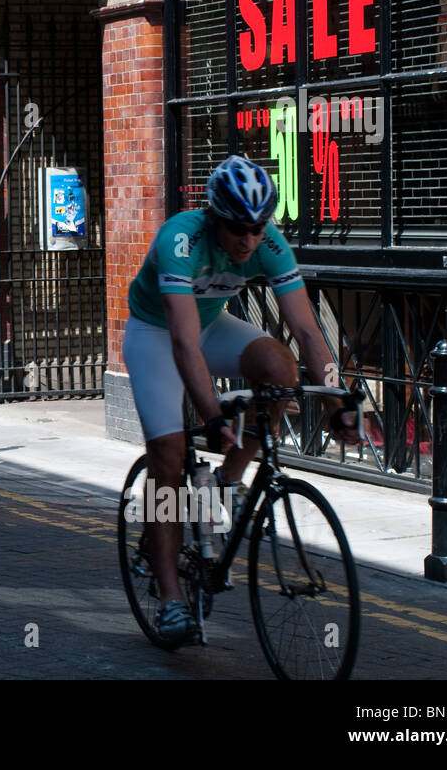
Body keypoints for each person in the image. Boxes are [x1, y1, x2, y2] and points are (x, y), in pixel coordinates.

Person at [123, 154, 360, 647]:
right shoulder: (180, 239)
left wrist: (337, 396)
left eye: (257, 229)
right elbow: (183, 345)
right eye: (238, 229)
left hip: (211, 325)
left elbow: (306, 329)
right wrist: (211, 416)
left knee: (278, 368)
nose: (248, 241)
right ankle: (170, 599)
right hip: (155, 334)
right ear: (215, 217)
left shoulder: (268, 244)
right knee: (168, 457)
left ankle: (224, 482)